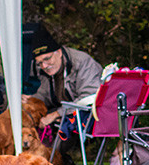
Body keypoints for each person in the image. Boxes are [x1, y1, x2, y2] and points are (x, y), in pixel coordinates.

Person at [28, 28, 103, 156]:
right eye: (40, 62)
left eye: (47, 59)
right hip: (65, 110)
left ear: (59, 52)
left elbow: (89, 98)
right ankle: (34, 159)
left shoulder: (82, 62)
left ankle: (51, 161)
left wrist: (56, 114)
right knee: (31, 118)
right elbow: (44, 94)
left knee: (61, 123)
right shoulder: (44, 68)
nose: (44, 66)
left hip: (90, 113)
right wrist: (31, 101)